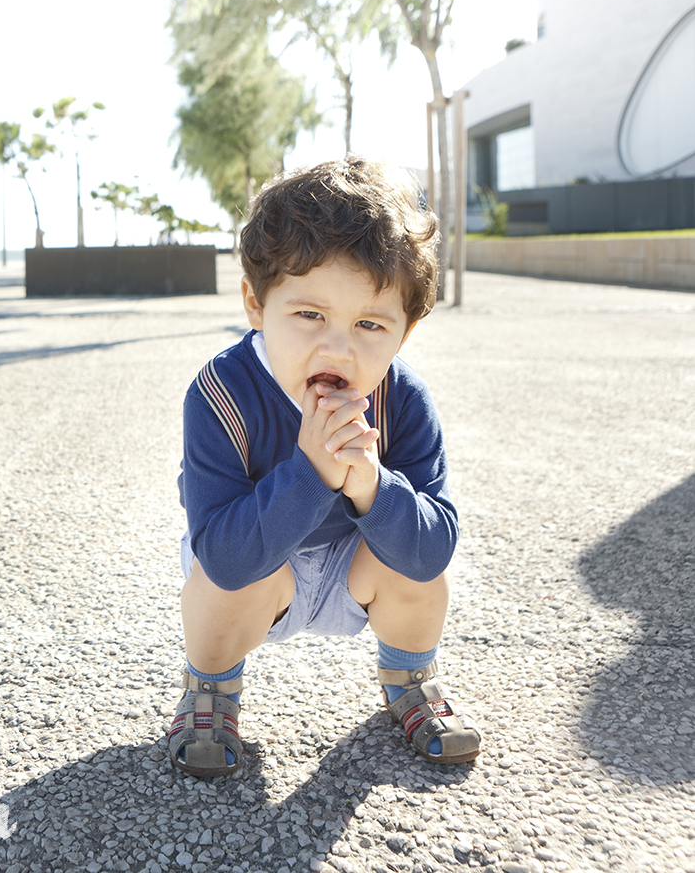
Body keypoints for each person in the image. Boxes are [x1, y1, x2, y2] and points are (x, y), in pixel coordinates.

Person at [167, 156, 481, 778]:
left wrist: (374, 489)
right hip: (258, 569)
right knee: (222, 581)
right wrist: (310, 472)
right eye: (309, 315)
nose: (337, 346)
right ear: (256, 305)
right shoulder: (222, 394)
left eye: (369, 324)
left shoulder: (401, 400)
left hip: (353, 563)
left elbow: (433, 549)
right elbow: (225, 556)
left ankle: (410, 678)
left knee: (416, 568)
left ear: (406, 333)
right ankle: (209, 690)